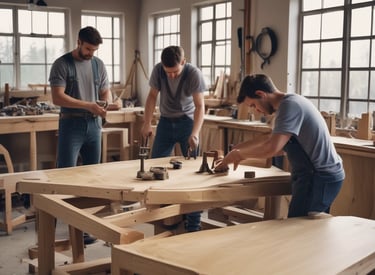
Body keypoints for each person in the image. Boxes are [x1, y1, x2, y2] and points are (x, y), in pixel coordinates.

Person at [215, 74, 345, 218]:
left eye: (253, 105)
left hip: (320, 175)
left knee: (301, 227)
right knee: (302, 226)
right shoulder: (287, 104)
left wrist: (238, 155)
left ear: (261, 94)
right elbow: (275, 142)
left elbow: (273, 148)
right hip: (312, 175)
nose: (256, 111)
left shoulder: (290, 106)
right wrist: (237, 149)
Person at [49, 26, 120, 244]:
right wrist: (89, 105)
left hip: (94, 126)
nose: (91, 53)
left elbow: (104, 91)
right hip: (72, 126)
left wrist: (106, 102)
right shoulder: (62, 64)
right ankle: (54, 225)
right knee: (66, 176)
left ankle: (84, 226)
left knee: (91, 177)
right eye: (88, 49)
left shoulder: (98, 65)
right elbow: (58, 98)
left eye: (94, 50)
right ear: (78, 42)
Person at [141, 45, 206, 231]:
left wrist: (194, 133)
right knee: (156, 169)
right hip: (165, 122)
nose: (170, 76)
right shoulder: (158, 70)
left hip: (187, 122)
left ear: (183, 63)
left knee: (194, 173)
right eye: (167, 72)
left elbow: (200, 106)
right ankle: (166, 219)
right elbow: (152, 97)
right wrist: (147, 123)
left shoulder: (193, 74)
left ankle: (193, 223)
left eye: (175, 72)